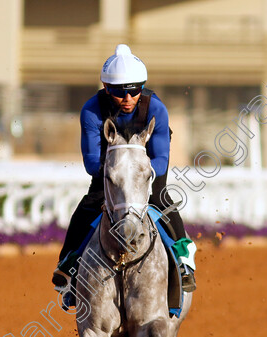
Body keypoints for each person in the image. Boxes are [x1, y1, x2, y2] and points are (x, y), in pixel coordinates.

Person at [52, 44, 197, 301]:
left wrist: (137, 173)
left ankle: (184, 258)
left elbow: (160, 159)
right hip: (111, 166)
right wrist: (120, 172)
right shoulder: (91, 111)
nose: (129, 99)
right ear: (107, 89)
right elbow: (91, 162)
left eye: (135, 90)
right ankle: (68, 265)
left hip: (146, 162)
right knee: (92, 202)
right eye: (120, 92)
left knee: (160, 198)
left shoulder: (156, 109)